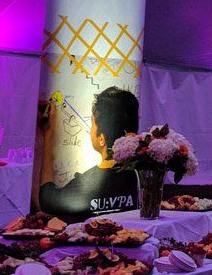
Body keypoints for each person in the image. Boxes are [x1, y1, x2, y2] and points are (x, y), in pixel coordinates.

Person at [38, 86, 141, 221]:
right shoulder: (144, 176)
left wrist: (49, 134)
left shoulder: (88, 184)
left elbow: (48, 200)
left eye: (92, 124)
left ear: (101, 138)